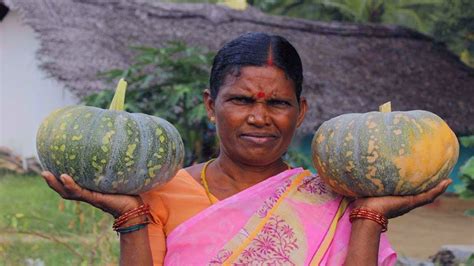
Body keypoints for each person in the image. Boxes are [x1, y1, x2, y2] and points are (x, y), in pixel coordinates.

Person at [41, 32, 451, 265]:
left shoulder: (334, 198)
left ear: (300, 111)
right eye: (241, 100)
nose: (260, 117)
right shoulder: (161, 192)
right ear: (210, 105)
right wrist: (127, 215)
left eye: (278, 103)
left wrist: (369, 216)